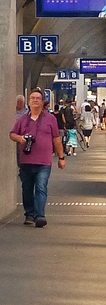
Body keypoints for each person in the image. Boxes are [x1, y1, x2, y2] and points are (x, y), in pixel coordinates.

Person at [10, 87, 65, 227]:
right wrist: (20, 138)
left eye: (38, 98)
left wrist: (61, 157)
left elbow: (56, 138)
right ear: (29, 101)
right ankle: (29, 214)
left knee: (41, 187)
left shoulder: (50, 119)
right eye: (32, 98)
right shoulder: (22, 120)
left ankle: (40, 216)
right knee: (27, 188)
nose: (35, 100)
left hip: (44, 162)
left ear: (42, 102)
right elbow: (12, 134)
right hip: (26, 161)